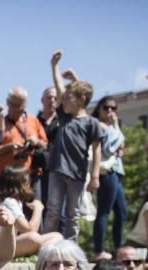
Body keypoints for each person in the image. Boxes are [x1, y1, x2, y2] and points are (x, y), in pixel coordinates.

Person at [43, 51, 102, 241]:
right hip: (57, 169)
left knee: (72, 214)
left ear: (81, 100)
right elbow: (63, 90)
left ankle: (72, 249)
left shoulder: (91, 123)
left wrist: (94, 176)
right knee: (52, 210)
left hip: (77, 173)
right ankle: (45, 246)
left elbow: (97, 149)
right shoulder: (64, 116)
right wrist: (54, 67)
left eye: (69, 98)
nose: (63, 100)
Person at [0, 165, 62, 259]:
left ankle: (42, 254)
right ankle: (42, 254)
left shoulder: (14, 201)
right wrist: (38, 209)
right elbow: (29, 230)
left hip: (3, 248)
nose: (30, 183)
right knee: (32, 238)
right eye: (27, 181)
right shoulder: (9, 201)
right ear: (20, 183)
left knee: (57, 237)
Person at [91, 96, 127, 261]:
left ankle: (118, 248)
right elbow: (109, 147)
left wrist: (117, 127)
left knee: (122, 212)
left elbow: (121, 149)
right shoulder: (99, 125)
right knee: (104, 211)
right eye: (106, 108)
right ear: (99, 109)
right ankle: (99, 250)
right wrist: (117, 127)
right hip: (106, 172)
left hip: (117, 171)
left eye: (114, 108)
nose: (110, 111)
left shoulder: (112, 127)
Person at [0, 87, 47, 188]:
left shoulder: (33, 120)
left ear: (25, 105)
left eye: (20, 106)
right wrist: (9, 147)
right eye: (13, 105)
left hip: (27, 179)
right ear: (7, 103)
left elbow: (45, 145)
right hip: (2, 180)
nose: (17, 109)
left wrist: (36, 141)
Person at [35, 87, 59, 202]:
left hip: (57, 169)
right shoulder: (34, 121)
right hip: (38, 169)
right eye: (49, 97)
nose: (52, 100)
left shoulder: (63, 122)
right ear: (42, 100)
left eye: (55, 98)